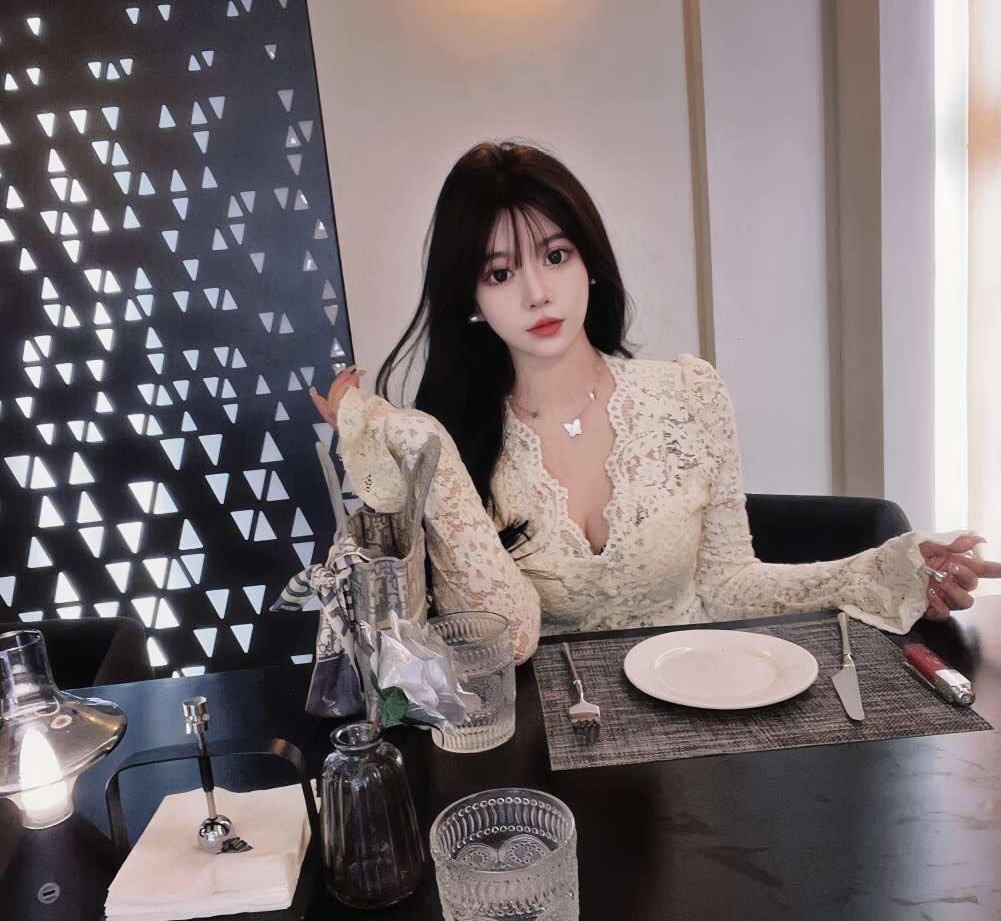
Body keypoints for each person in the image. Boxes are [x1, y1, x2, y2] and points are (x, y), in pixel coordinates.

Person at [311, 140, 998, 663]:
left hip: (699, 711)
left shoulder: (689, 395)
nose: (537, 293)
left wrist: (882, 571)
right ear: (470, 297)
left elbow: (728, 585)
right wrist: (412, 447)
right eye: (500, 272)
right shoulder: (452, 444)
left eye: (555, 256)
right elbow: (487, 642)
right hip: (541, 749)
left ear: (589, 262)